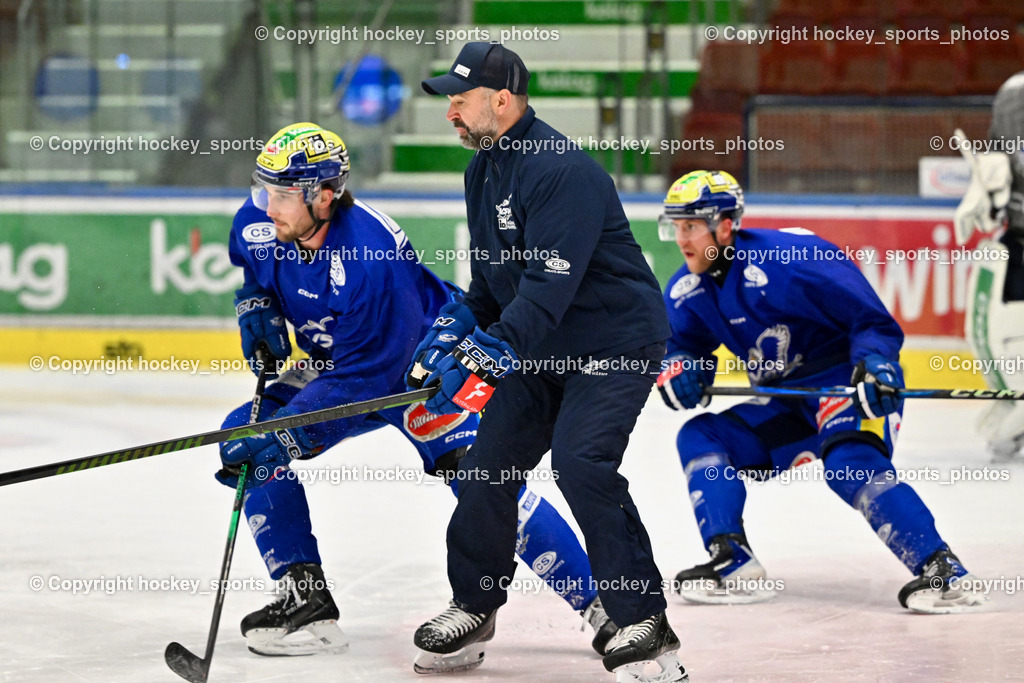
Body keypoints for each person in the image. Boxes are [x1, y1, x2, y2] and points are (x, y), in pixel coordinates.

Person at [216, 122, 617, 657]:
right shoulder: (261, 223)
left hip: (418, 374)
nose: (268, 206)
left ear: (324, 196)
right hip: (342, 364)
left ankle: (603, 604)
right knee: (244, 436)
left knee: (479, 479)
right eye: (263, 189)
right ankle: (304, 597)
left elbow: (369, 378)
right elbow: (255, 271)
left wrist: (289, 433)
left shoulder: (368, 257)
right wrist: (256, 303)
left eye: (283, 194)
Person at [411, 42, 687, 683]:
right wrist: (453, 329)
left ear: (502, 100)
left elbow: (545, 287)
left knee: (581, 463)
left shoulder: (561, 170)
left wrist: (487, 352)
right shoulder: (482, 171)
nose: (450, 112)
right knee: (486, 466)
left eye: (460, 99)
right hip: (542, 349)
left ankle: (644, 621)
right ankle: (474, 606)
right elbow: (492, 288)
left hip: (612, 344)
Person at [655, 169, 986, 614]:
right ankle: (732, 561)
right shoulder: (687, 290)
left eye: (691, 226)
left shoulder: (792, 259)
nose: (681, 239)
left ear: (726, 226)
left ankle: (945, 573)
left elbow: (871, 321)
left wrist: (877, 364)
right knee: (700, 436)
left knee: (849, 463)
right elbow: (683, 346)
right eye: (676, 227)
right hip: (787, 401)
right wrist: (680, 368)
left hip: (843, 385)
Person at [955, 70, 1024, 460]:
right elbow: (999, 157)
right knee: (991, 328)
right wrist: (983, 190)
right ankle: (1012, 399)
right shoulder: (1015, 94)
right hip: (1017, 240)